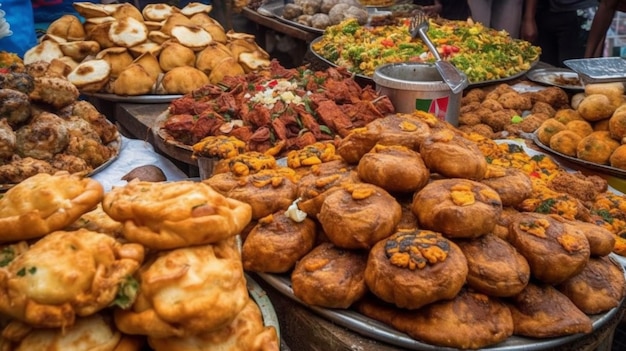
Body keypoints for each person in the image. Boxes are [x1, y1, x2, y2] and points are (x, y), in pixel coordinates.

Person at [521, 0, 598, 67]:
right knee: (544, 71)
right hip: (546, 11)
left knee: (575, 72)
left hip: (581, 12)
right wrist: (529, 17)